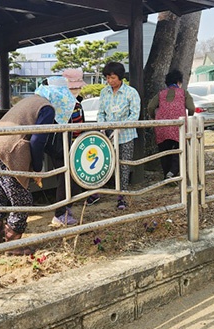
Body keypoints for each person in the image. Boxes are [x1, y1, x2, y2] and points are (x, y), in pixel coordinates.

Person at [0, 79, 73, 255]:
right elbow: (37, 140)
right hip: (7, 153)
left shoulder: (29, 100)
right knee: (22, 201)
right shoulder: (47, 108)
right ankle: (13, 246)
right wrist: (37, 168)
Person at [97, 62, 141, 210]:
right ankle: (98, 192)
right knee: (106, 164)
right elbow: (101, 113)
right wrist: (102, 127)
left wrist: (120, 127)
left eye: (113, 77)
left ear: (120, 77)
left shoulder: (131, 93)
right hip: (108, 136)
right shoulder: (104, 92)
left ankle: (122, 197)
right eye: (107, 78)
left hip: (126, 135)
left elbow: (134, 114)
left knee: (124, 166)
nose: (110, 81)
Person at [49, 69, 87, 227]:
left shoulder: (77, 101)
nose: (76, 89)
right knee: (66, 180)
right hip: (62, 146)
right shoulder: (62, 103)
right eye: (72, 87)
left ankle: (66, 208)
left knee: (72, 179)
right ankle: (60, 214)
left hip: (74, 145)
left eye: (77, 86)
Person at [147, 69, 195, 180]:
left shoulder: (160, 94)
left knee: (165, 152)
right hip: (179, 127)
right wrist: (190, 117)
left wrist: (154, 117)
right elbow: (191, 108)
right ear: (179, 82)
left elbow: (150, 107)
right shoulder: (184, 93)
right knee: (180, 150)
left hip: (162, 126)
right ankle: (173, 172)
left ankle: (166, 176)